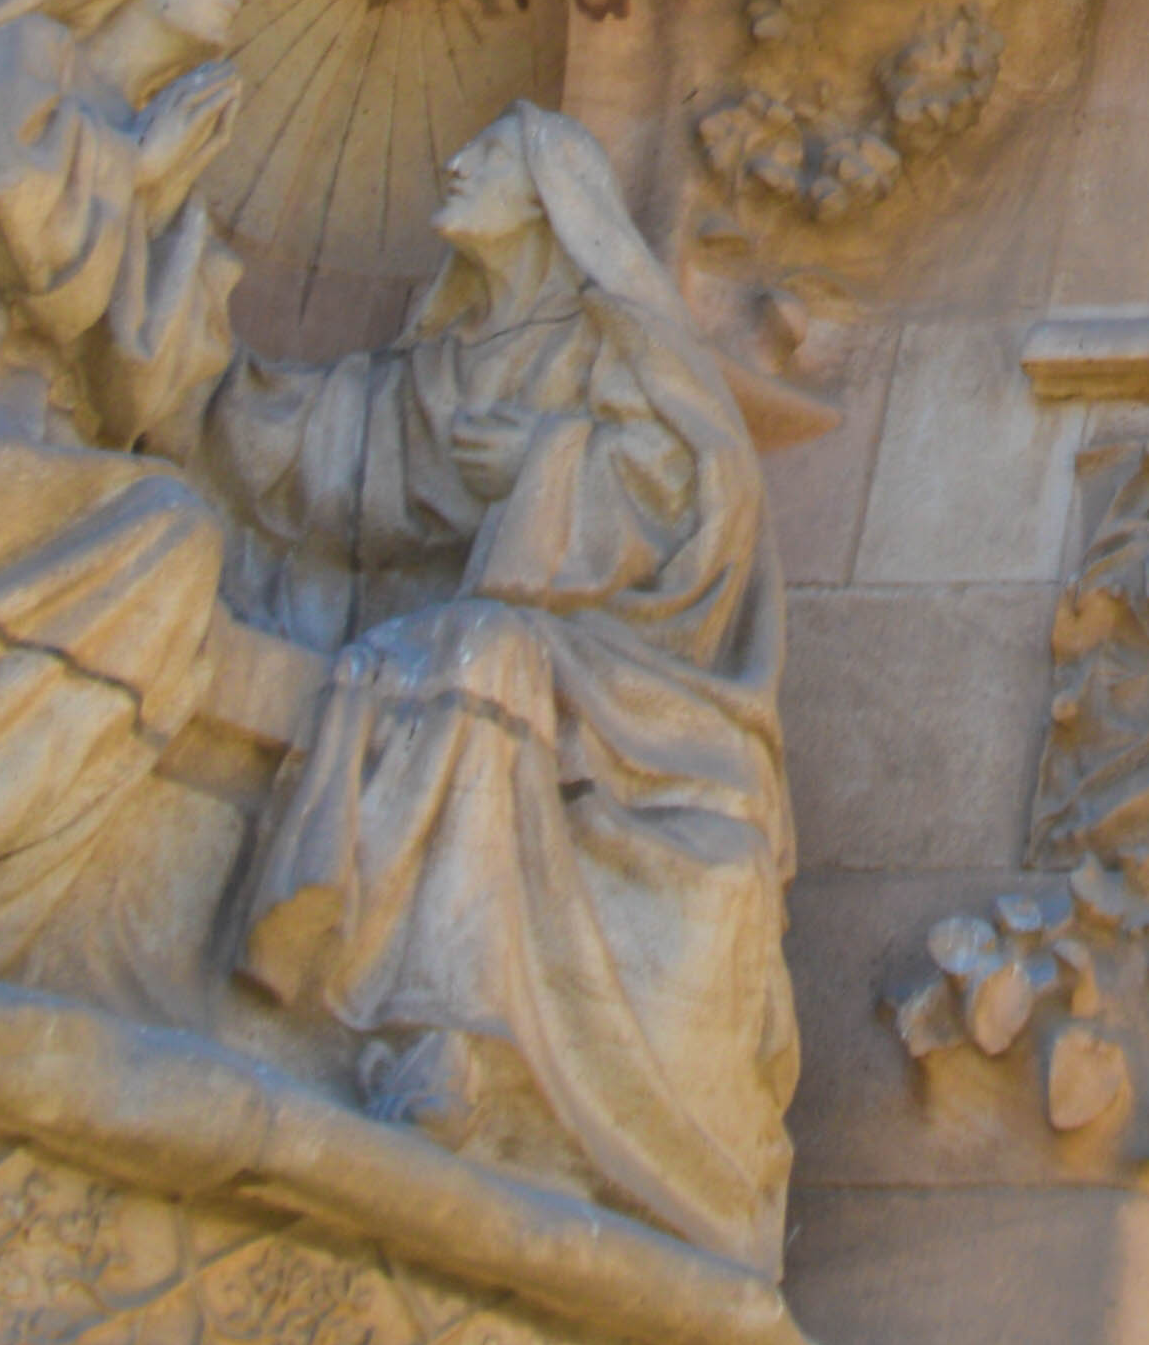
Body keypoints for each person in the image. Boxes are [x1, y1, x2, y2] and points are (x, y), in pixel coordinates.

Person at [216, 106, 795, 1271]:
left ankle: (442, 1035)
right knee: (432, 655)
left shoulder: (614, 343)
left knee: (482, 655)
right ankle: (356, 986)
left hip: (620, 676)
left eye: (484, 157)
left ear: (546, 197)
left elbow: (700, 504)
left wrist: (547, 462)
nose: (454, 163)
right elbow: (323, 458)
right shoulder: (436, 361)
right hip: (474, 639)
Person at [0, 0, 251, 986]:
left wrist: (162, 193)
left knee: (172, 537)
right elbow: (6, 213)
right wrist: (135, 170)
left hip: (53, 446)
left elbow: (149, 395)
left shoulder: (163, 154)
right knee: (149, 532)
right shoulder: (20, 54)